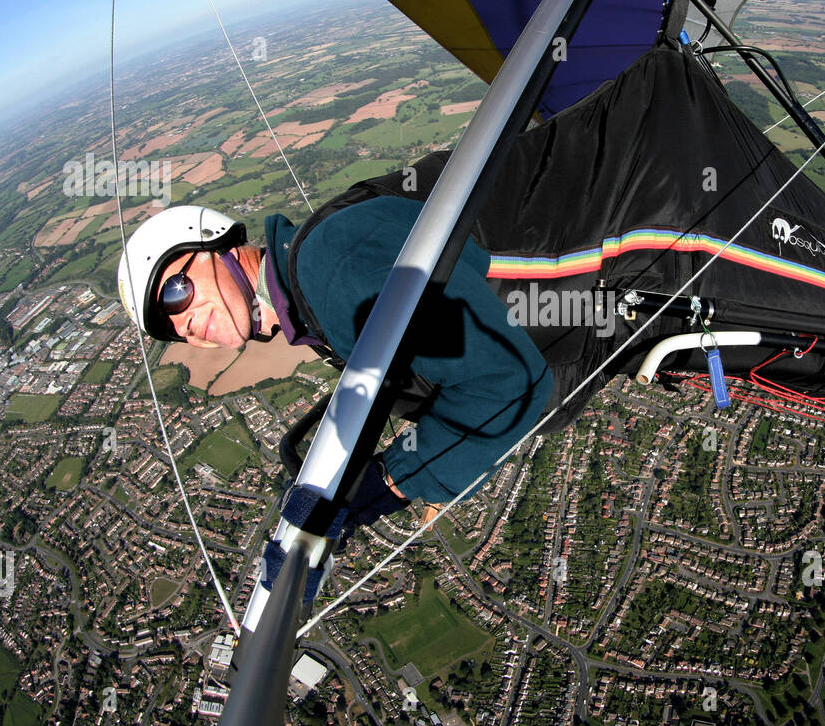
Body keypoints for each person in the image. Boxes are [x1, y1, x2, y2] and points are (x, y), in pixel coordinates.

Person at [117, 199, 554, 532]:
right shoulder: (308, 290)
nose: (186, 324)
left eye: (175, 293)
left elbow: (507, 381)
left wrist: (390, 483)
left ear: (215, 243)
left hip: (594, 271)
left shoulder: (328, 267)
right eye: (171, 329)